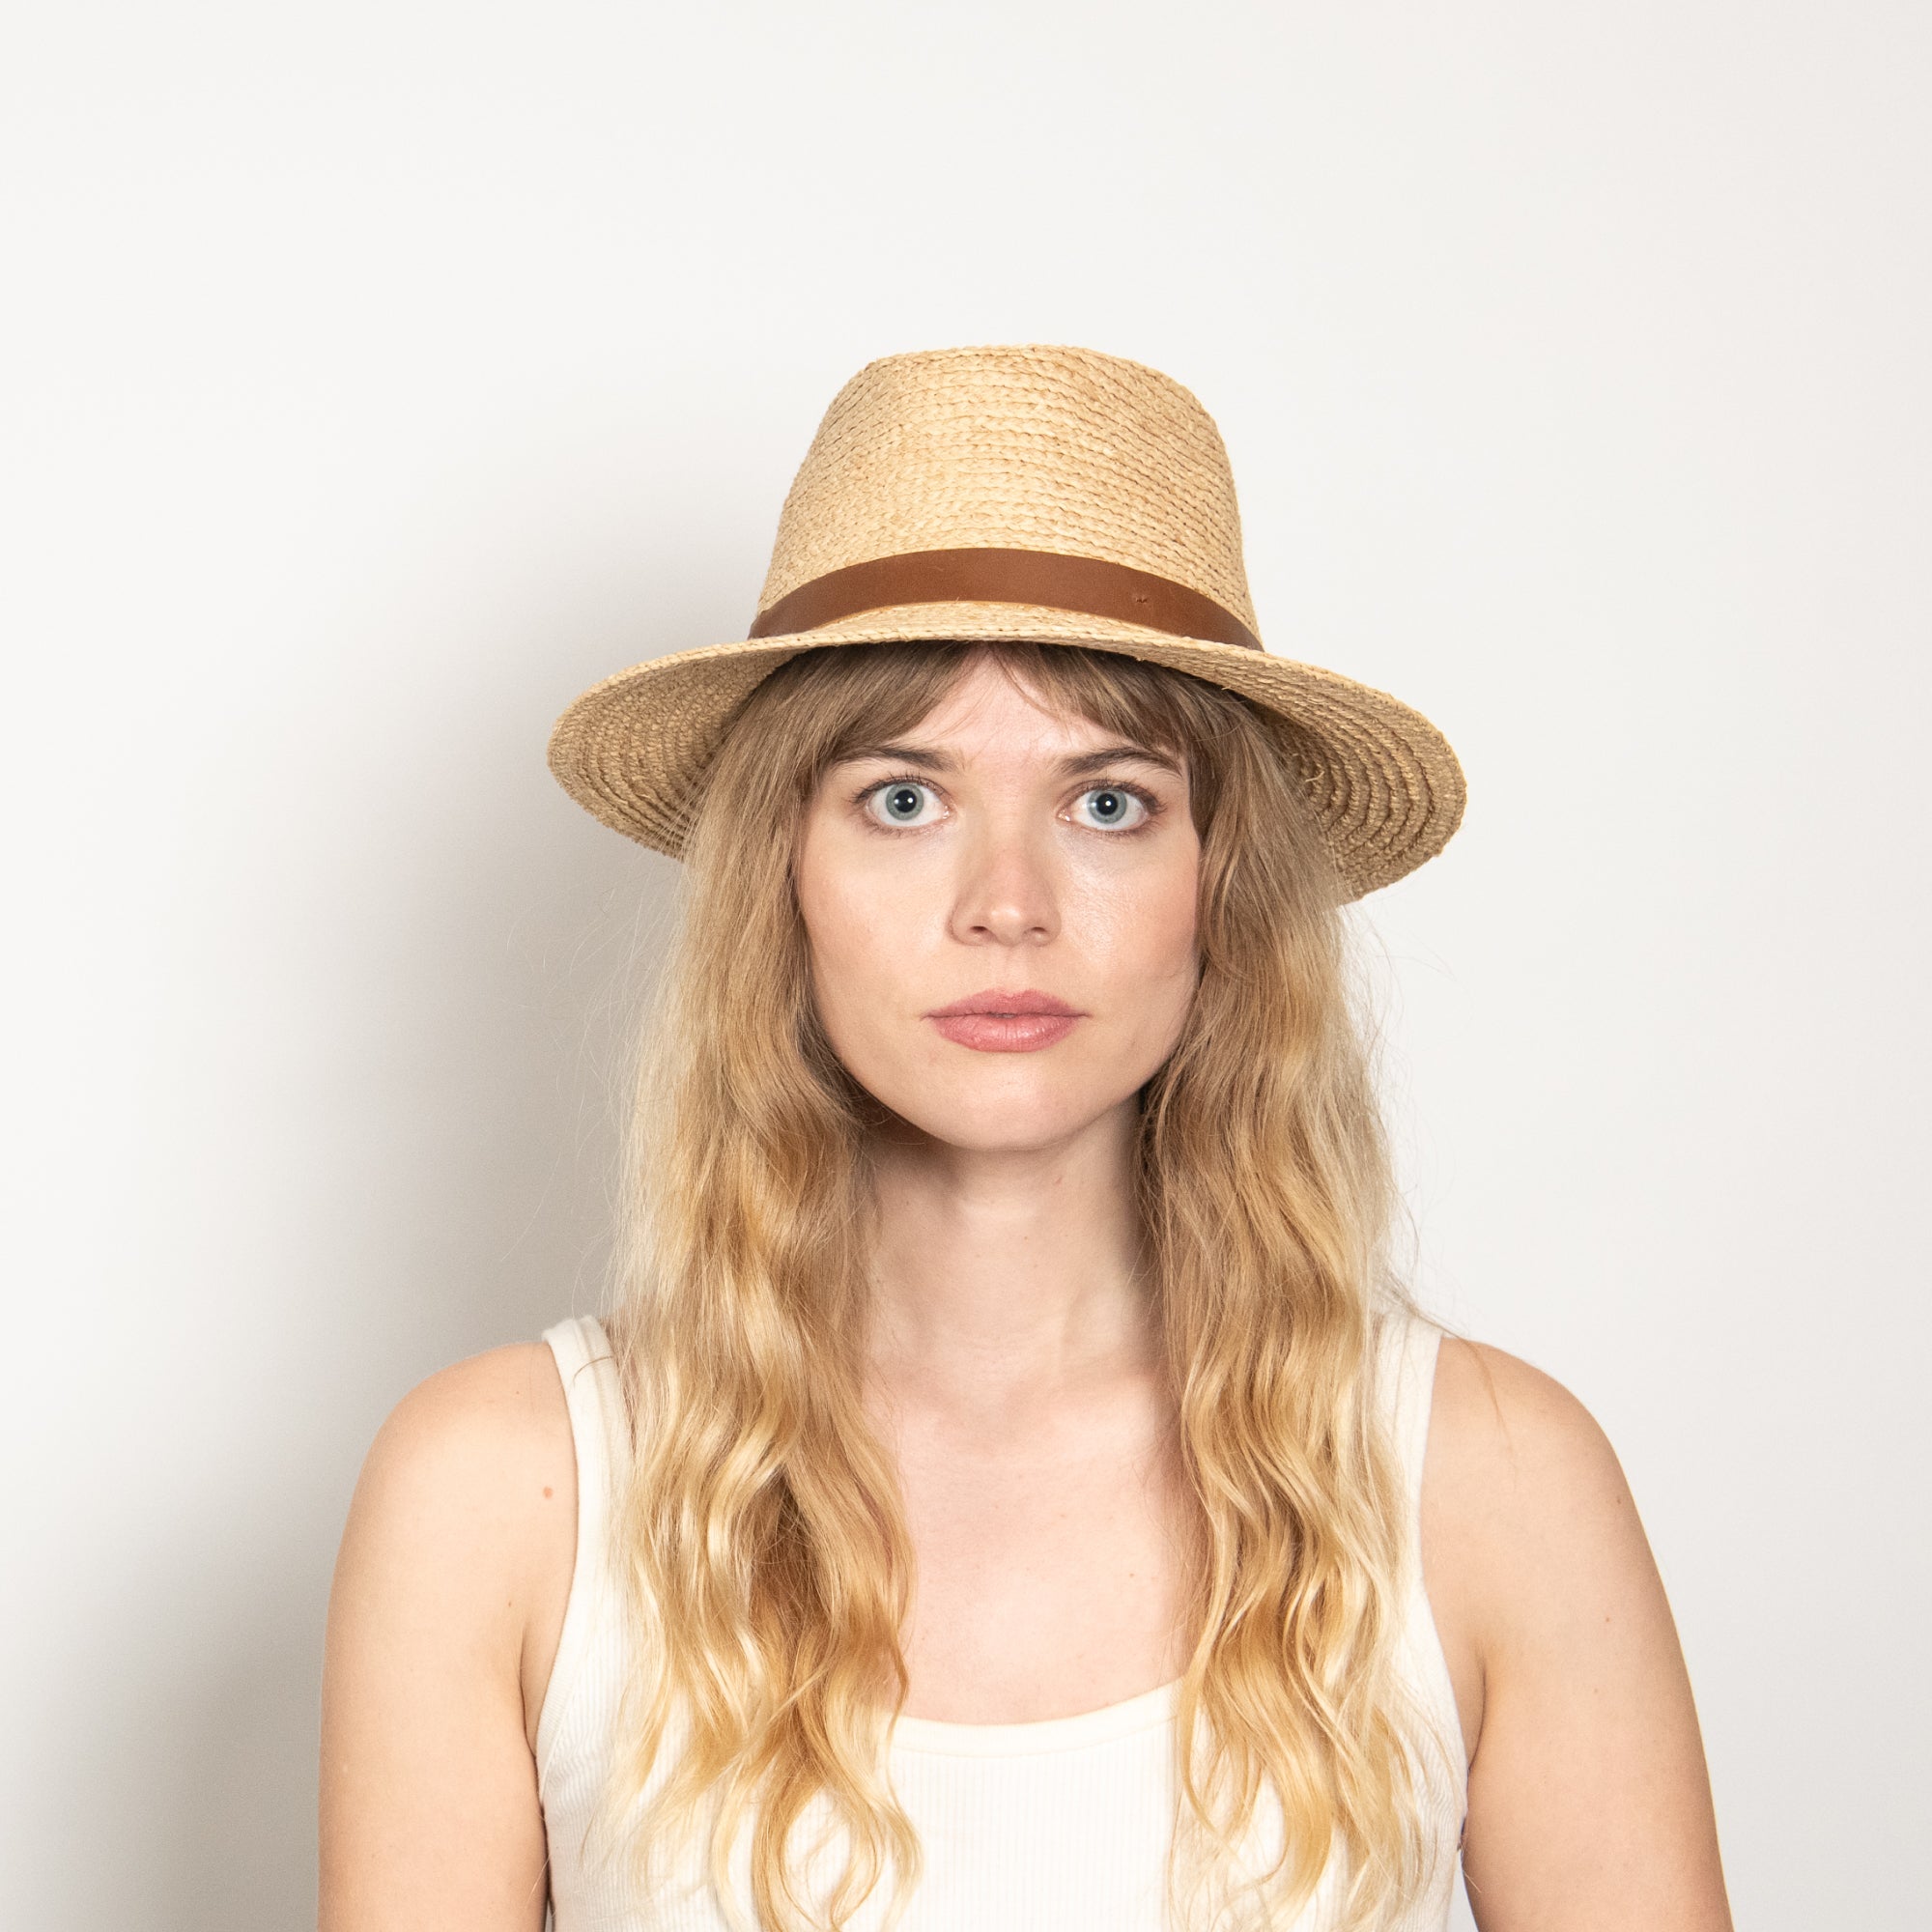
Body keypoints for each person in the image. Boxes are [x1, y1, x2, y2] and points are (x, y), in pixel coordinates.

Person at [319, 346, 1734, 1932]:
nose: (1009, 903)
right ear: (778, 882)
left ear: (1226, 892)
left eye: (1110, 802)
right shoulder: (504, 1495)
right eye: (904, 799)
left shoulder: (1491, 1479)